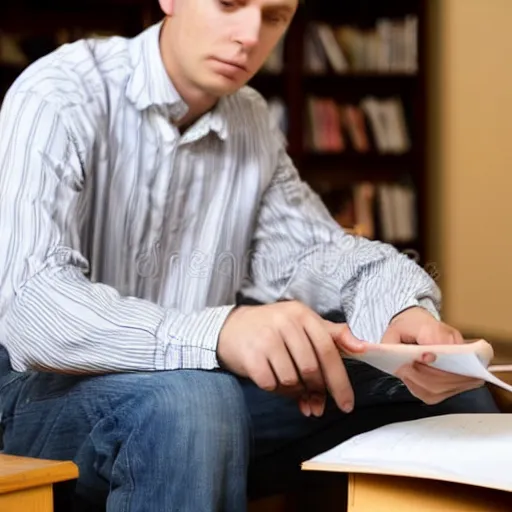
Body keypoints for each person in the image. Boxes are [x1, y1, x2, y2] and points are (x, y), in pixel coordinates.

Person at [0, 0, 499, 510]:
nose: (249, 35)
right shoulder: (59, 94)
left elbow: (319, 255)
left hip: (199, 396)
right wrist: (221, 332)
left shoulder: (250, 118)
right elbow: (32, 307)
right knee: (190, 403)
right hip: (35, 395)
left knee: (441, 389)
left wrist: (402, 313)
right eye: (230, 4)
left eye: (275, 15)